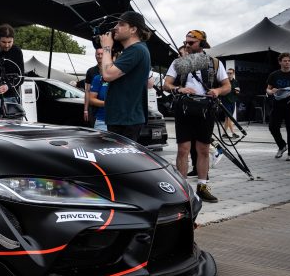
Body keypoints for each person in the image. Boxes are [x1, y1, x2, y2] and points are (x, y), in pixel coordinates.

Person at [163, 30, 230, 203]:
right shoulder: (179, 62)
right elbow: (166, 84)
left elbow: (227, 86)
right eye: (185, 42)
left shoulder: (214, 63)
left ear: (201, 43)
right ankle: (182, 189)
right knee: (183, 149)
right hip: (184, 108)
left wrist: (217, 90)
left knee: (203, 150)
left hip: (205, 109)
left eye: (191, 43)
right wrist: (179, 89)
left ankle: (203, 187)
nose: (187, 45)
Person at [98, 11, 152, 142]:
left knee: (118, 161)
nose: (116, 27)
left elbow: (107, 74)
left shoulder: (136, 50)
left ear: (133, 29)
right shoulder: (134, 50)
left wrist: (106, 48)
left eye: (121, 24)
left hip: (126, 119)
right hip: (124, 118)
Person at [266, 52, 290, 161]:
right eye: (284, 61)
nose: (287, 63)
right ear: (280, 62)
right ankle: (282, 146)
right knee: (272, 127)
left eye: (289, 61)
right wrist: (271, 91)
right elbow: (267, 89)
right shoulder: (274, 75)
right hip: (277, 104)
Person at [83, 48, 104, 126]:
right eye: (98, 54)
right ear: (95, 55)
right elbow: (87, 91)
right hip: (93, 107)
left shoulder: (111, 70)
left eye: (102, 54)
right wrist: (85, 110)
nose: (100, 56)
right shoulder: (91, 71)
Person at [222, 67, 240, 137]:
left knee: (227, 118)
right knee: (229, 117)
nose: (229, 74)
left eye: (230, 73)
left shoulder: (236, 82)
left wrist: (237, 91)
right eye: (228, 73)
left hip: (232, 101)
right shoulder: (225, 82)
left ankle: (224, 133)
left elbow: (238, 91)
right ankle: (233, 133)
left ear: (233, 74)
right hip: (225, 101)